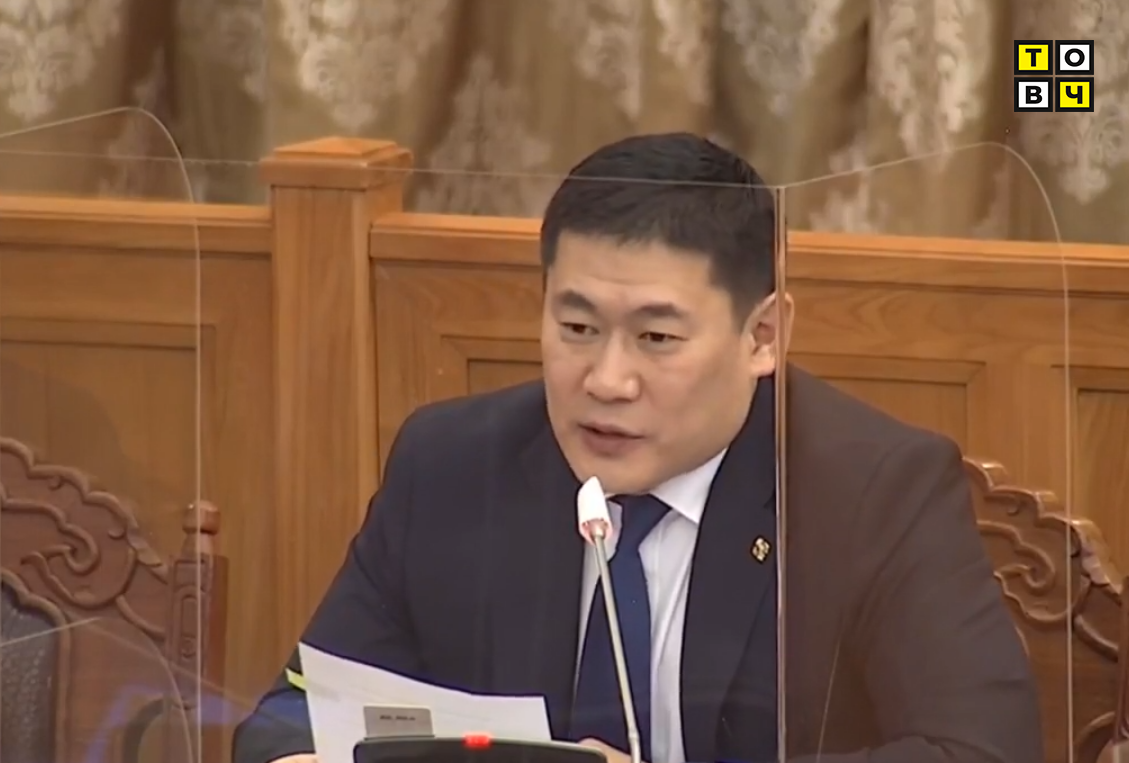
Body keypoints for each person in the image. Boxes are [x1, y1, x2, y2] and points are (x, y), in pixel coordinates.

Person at [232, 133, 1041, 763]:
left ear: (762, 335)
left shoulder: (874, 491)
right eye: (576, 327)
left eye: (655, 337)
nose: (606, 380)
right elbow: (288, 714)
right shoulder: (451, 463)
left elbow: (981, 751)